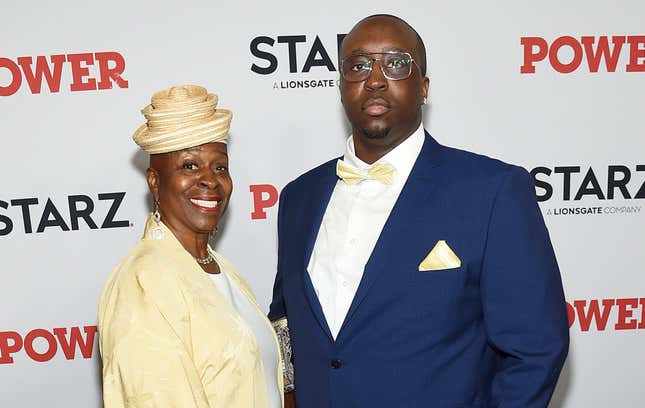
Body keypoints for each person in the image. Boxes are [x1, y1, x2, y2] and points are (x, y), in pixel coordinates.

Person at [269, 15, 569, 407]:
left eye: (396, 63)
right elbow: (287, 322)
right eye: (358, 66)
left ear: (423, 86)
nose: (374, 79)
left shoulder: (493, 191)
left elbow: (536, 349)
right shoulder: (299, 197)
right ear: (342, 88)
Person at [99, 85, 284, 407]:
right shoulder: (143, 281)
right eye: (189, 165)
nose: (210, 180)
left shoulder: (218, 268)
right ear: (155, 181)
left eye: (220, 167)